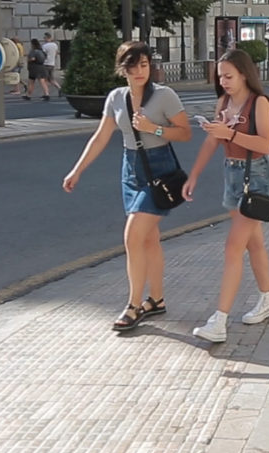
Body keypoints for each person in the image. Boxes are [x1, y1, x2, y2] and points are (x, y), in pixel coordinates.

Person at [63, 41, 192, 331]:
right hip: (130, 170)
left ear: (150, 66)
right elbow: (100, 137)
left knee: (133, 235)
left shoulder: (164, 96)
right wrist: (77, 170)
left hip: (159, 170)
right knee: (148, 239)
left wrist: (153, 128)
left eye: (144, 65)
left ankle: (133, 305)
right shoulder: (116, 98)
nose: (139, 71)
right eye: (132, 66)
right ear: (123, 69)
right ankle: (156, 299)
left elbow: (185, 133)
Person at [183, 48, 269, 343]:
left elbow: (266, 144)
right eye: (220, 76)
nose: (223, 81)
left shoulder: (259, 102)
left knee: (232, 247)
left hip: (257, 175)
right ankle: (268, 299)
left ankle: (219, 319)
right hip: (233, 173)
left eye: (228, 75)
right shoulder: (223, 102)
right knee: (254, 243)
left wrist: (231, 135)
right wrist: (194, 175)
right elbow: (213, 141)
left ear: (244, 74)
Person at [42, 32, 62, 96]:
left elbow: (43, 55)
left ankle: (46, 93)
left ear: (47, 38)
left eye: (44, 37)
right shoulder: (55, 45)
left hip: (45, 64)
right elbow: (56, 54)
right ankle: (60, 89)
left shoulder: (44, 46)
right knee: (51, 79)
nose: (44, 39)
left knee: (44, 80)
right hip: (52, 64)